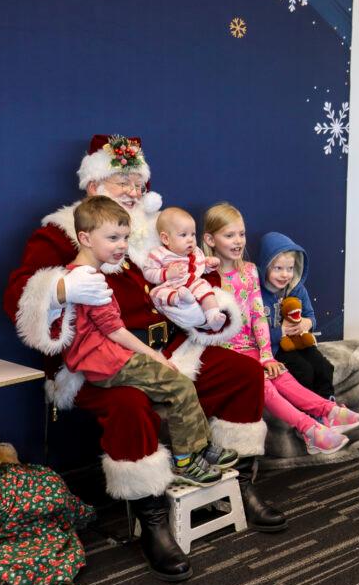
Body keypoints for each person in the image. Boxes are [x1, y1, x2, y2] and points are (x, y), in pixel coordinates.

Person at [4, 134, 285, 583]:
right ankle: (152, 517)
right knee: (130, 406)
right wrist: (59, 289)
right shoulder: (60, 232)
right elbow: (17, 295)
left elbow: (194, 279)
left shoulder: (154, 231)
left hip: (171, 347)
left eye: (139, 182)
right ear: (94, 184)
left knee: (243, 372)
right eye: (123, 181)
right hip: (101, 362)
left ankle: (238, 482)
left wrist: (213, 315)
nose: (134, 192)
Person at [64, 195, 237, 486]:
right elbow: (114, 329)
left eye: (125, 238)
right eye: (113, 238)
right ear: (85, 238)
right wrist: (154, 355)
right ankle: (185, 460)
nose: (122, 245)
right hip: (106, 362)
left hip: (108, 356)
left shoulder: (82, 273)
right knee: (179, 385)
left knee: (178, 382)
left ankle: (201, 445)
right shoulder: (88, 281)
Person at [201, 203, 359, 455]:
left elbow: (259, 315)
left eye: (241, 234)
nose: (238, 241)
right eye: (229, 235)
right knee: (264, 383)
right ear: (210, 239)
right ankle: (310, 429)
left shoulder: (248, 271)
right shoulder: (205, 277)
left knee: (282, 375)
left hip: (253, 347)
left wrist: (266, 354)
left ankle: (330, 412)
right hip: (227, 353)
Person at [257, 232, 336, 399]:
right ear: (265, 267)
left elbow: (311, 317)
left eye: (290, 268)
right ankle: (310, 409)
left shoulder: (296, 288)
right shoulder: (258, 295)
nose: (285, 275)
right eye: (278, 268)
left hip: (299, 342)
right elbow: (254, 336)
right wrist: (281, 331)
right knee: (304, 371)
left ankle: (328, 404)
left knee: (324, 367)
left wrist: (306, 324)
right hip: (276, 349)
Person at [143, 207, 226, 332]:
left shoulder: (194, 252)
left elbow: (199, 269)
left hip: (191, 283)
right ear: (166, 238)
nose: (190, 239)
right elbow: (148, 272)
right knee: (158, 294)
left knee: (204, 287)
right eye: (183, 235)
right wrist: (167, 274)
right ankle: (180, 299)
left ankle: (213, 317)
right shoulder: (159, 254)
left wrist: (208, 265)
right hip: (169, 286)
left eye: (193, 234)